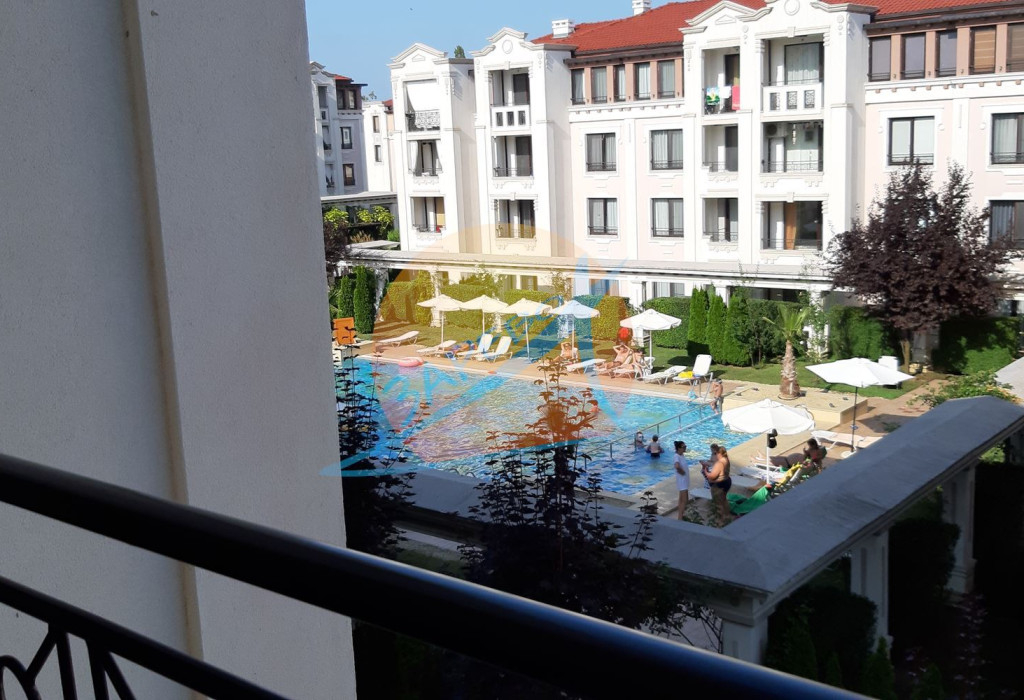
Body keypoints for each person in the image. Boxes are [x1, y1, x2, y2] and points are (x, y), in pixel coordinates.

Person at [703, 445, 732, 522]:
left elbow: (712, 476)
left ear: (719, 454)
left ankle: (720, 521)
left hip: (718, 484)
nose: (715, 455)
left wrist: (705, 471)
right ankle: (727, 516)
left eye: (716, 453)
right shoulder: (726, 460)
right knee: (724, 500)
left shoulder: (719, 463)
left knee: (718, 504)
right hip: (727, 481)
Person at [673, 440, 689, 519]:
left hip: (684, 480)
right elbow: (676, 466)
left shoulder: (681, 455)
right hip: (682, 481)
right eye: (683, 447)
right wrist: (682, 472)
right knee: (685, 500)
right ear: (679, 448)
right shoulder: (677, 456)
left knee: (681, 499)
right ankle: (680, 517)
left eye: (685, 446)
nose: (685, 448)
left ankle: (680, 515)